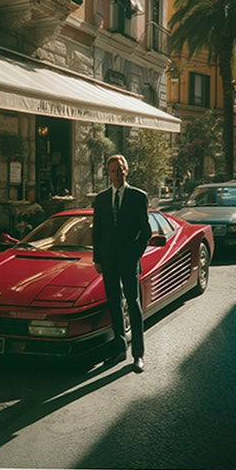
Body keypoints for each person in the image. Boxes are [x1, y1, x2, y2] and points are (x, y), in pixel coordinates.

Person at [91, 153, 151, 371]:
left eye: (120, 170)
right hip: (108, 261)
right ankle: (119, 350)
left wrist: (133, 256)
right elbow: (97, 231)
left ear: (127, 171)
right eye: (113, 171)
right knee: (114, 305)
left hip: (128, 261)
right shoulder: (101, 199)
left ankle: (138, 355)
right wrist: (97, 258)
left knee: (133, 305)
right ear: (108, 173)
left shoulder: (137, 196)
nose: (117, 174)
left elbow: (145, 232)